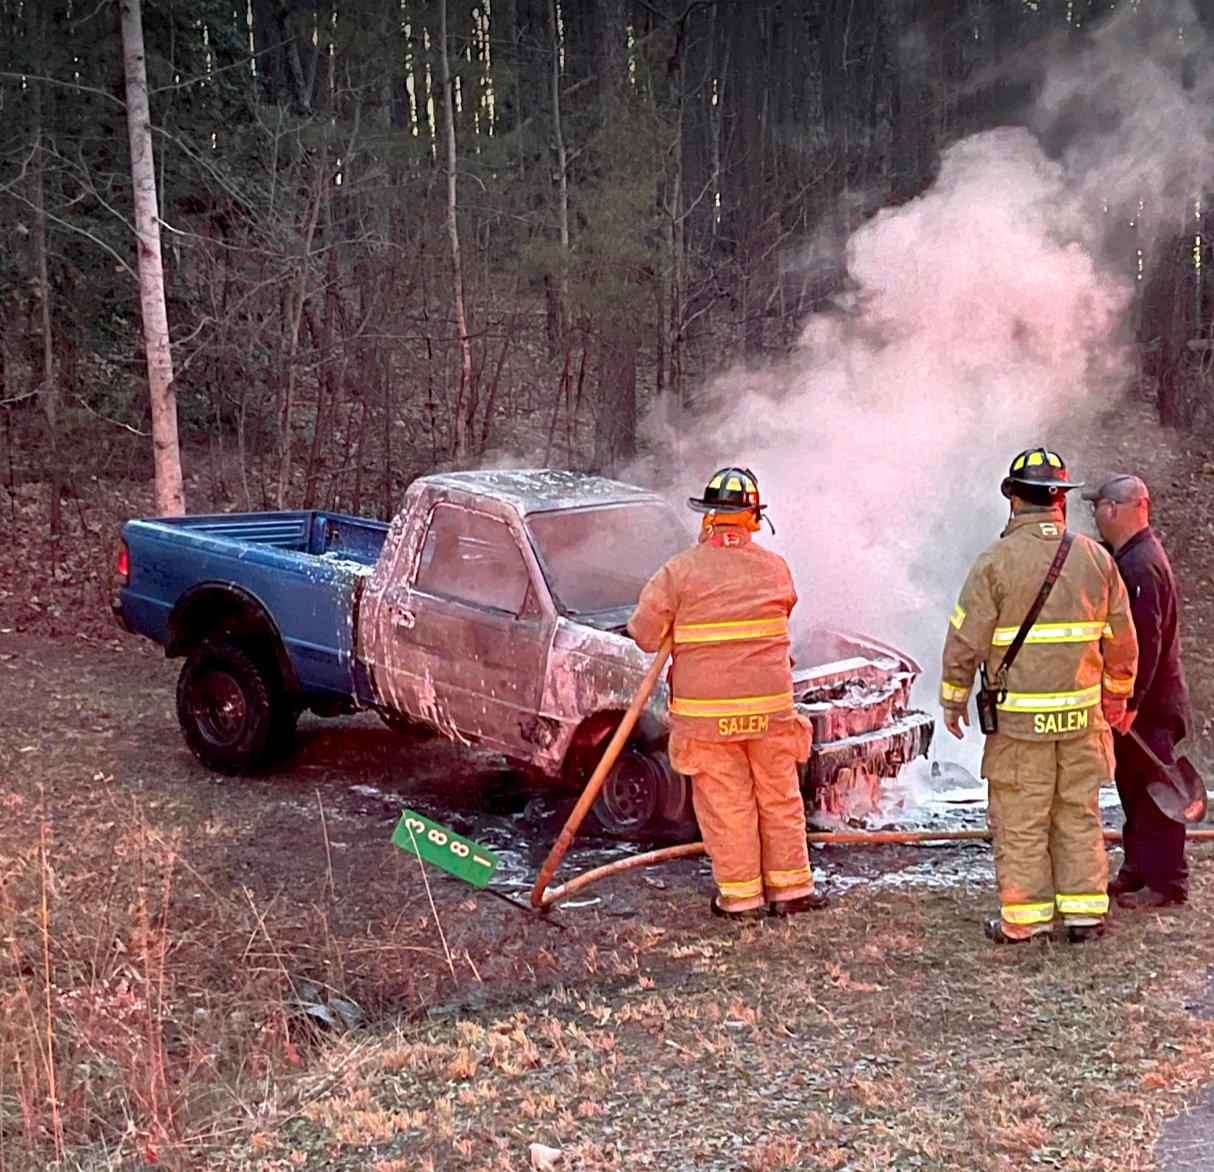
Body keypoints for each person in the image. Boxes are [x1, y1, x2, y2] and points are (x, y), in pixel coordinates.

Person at [940, 447, 1137, 944]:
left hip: (1020, 728)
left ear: (1013, 501)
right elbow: (1122, 640)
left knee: (1022, 819)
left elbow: (966, 638)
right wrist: (1116, 697)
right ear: (1061, 503)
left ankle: (1026, 922)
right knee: (1078, 814)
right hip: (1082, 722)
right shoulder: (1097, 560)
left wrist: (953, 698)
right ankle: (1086, 915)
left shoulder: (995, 562)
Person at [627, 467, 826, 920]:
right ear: (753, 518)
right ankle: (792, 891)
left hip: (708, 718)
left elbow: (643, 633)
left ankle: (741, 900)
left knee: (727, 803)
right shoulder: (775, 568)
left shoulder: (679, 572)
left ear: (708, 518)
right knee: (778, 795)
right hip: (771, 713)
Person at [1083, 474, 1192, 909]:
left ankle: (1167, 882)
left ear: (1115, 509)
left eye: (1098, 507)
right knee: (1133, 787)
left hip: (1150, 705)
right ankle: (1139, 867)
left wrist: (1129, 702)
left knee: (1156, 792)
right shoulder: (1131, 557)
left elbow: (1145, 642)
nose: (1093, 514)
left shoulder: (1140, 564)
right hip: (1145, 700)